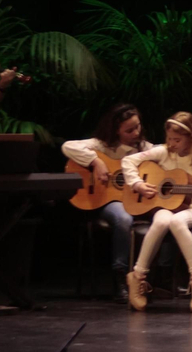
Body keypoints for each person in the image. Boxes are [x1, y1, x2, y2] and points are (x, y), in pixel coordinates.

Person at [120, 111, 192, 313]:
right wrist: (138, 184)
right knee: (161, 221)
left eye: (177, 139)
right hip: (166, 206)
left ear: (191, 137)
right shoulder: (164, 152)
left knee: (177, 221)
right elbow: (128, 162)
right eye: (169, 138)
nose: (172, 143)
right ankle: (137, 277)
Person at [61, 102, 152, 302]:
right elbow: (68, 146)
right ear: (115, 130)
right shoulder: (102, 145)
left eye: (137, 126)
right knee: (123, 218)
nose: (136, 132)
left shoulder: (144, 148)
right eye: (129, 130)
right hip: (107, 201)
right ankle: (120, 276)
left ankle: (156, 277)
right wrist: (96, 162)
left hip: (136, 201)